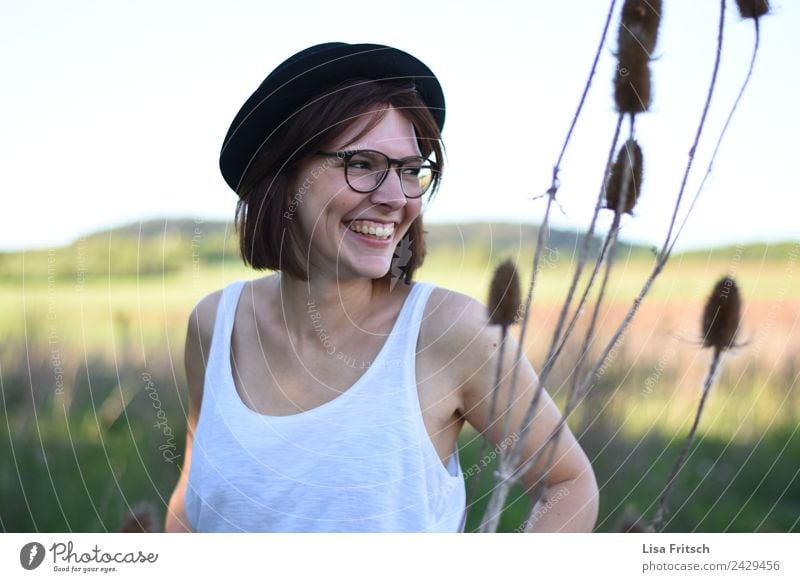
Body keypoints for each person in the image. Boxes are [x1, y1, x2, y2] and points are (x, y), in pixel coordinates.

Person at [165, 42, 598, 533]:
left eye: (411, 171)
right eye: (362, 164)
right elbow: (190, 501)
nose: (396, 198)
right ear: (283, 176)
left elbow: (568, 483)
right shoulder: (214, 325)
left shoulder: (450, 333)